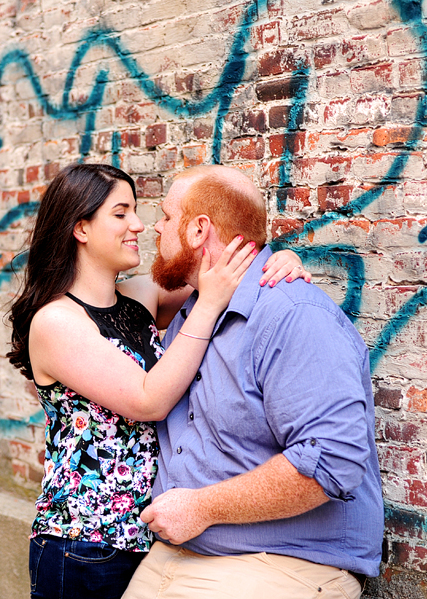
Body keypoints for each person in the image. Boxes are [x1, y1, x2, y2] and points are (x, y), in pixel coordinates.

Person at [6, 163, 308, 599]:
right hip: (83, 544)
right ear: (81, 229)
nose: (139, 225)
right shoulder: (55, 322)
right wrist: (207, 307)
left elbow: (223, 273)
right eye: (121, 213)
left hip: (149, 540)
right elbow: (148, 401)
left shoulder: (138, 296)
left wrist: (279, 260)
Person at [121, 164, 383, 599]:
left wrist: (202, 507)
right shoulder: (196, 308)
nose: (155, 226)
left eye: (167, 217)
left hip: (282, 563)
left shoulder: (293, 315)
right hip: (175, 554)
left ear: (198, 230)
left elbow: (334, 460)